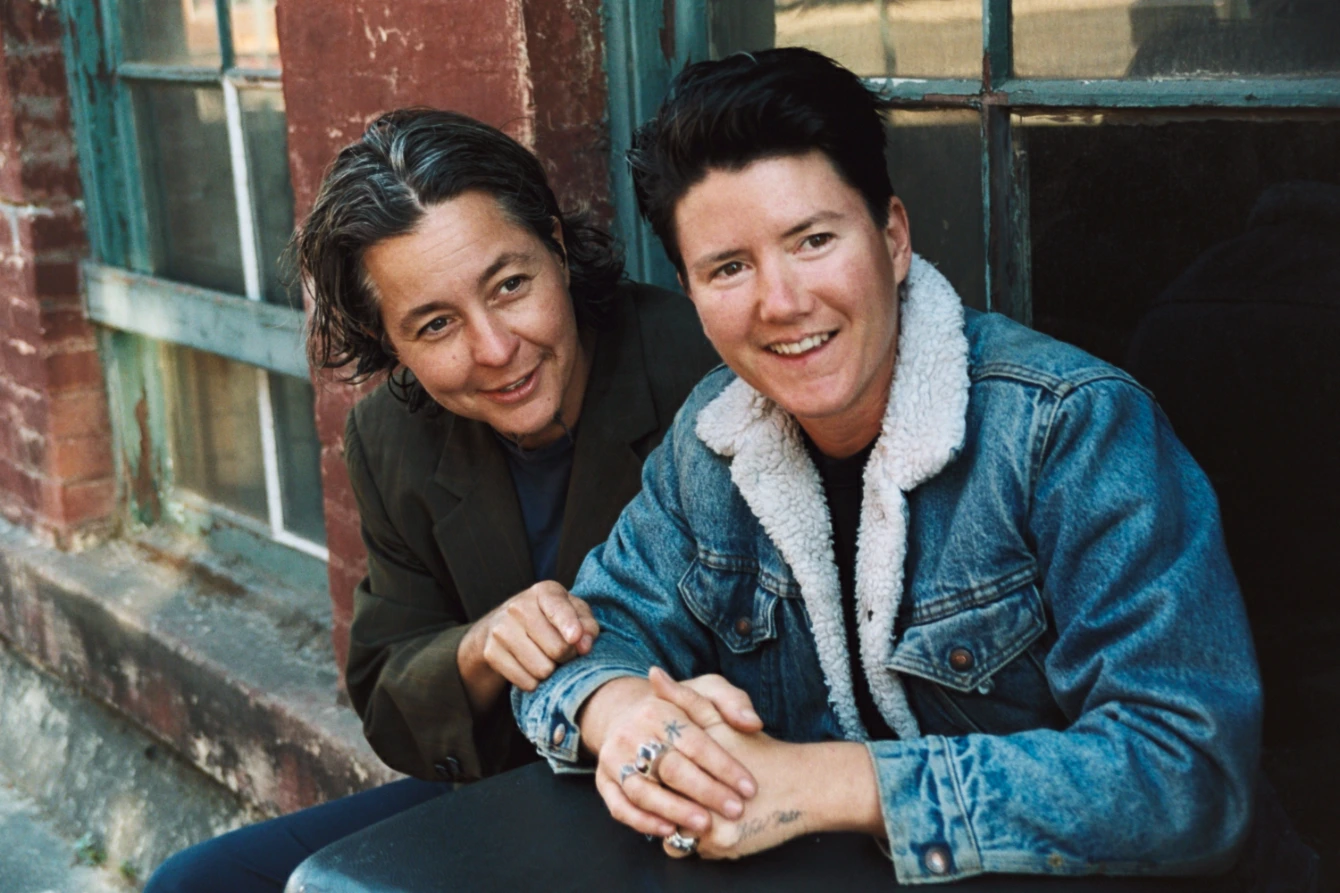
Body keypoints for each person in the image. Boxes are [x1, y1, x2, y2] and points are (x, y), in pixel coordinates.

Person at [515, 48, 1307, 887]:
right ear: (692, 293)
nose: (781, 302)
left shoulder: (1069, 426)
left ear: (892, 237)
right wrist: (627, 713)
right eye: (729, 268)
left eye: (814, 240)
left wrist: (824, 782)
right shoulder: (712, 440)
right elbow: (587, 637)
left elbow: (1187, 775)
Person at [145, 108, 718, 892]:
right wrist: (480, 645)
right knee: (200, 882)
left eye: (510, 285)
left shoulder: (700, 363)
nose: (495, 349)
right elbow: (390, 692)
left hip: (691, 780)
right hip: (515, 785)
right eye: (436, 324)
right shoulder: (393, 435)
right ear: (390, 341)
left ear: (555, 246)